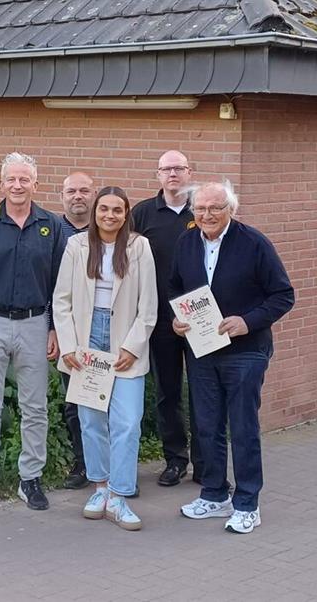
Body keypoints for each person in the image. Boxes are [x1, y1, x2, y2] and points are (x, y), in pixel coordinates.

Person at [170, 181, 295, 534]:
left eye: (215, 208)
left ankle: (246, 504)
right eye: (200, 209)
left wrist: (248, 321)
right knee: (206, 425)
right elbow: (174, 287)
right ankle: (213, 494)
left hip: (245, 352)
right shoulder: (186, 242)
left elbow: (283, 295)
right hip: (203, 350)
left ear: (231, 210)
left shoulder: (254, 244)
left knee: (242, 428)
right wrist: (175, 319)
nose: (207, 215)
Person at [0, 152, 64, 512]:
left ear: (36, 184)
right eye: (11, 180)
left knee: (35, 406)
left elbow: (59, 285)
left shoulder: (52, 225)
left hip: (36, 323)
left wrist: (55, 329)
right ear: (0, 183)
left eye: (24, 180)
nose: (17, 186)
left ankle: (30, 478)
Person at [53, 187, 158, 531]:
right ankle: (99, 489)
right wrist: (68, 345)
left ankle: (119, 495)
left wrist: (133, 346)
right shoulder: (77, 245)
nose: (109, 215)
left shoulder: (139, 247)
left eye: (117, 210)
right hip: (87, 341)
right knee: (91, 421)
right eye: (104, 209)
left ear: (126, 214)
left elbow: (148, 306)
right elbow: (62, 300)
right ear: (96, 212)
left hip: (124, 339)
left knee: (127, 422)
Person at [131, 150, 203, 487]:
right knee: (167, 393)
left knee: (205, 391)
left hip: (201, 316)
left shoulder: (203, 210)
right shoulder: (143, 214)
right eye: (166, 169)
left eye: (179, 168)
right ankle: (175, 460)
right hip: (160, 319)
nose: (173, 174)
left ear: (189, 173)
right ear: (157, 175)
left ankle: (206, 463)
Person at [57, 171, 95, 489]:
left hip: (104, 332)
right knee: (74, 402)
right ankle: (82, 465)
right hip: (68, 332)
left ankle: (110, 467)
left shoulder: (109, 231)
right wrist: (53, 331)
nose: (78, 196)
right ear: (62, 196)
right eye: (72, 191)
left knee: (109, 403)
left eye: (84, 190)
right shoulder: (52, 232)